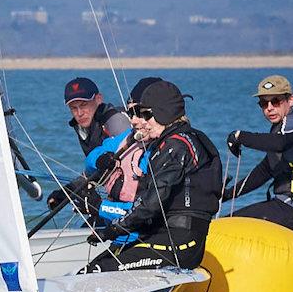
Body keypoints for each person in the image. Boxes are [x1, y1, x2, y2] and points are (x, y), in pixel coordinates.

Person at [79, 79, 223, 272]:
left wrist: (114, 229)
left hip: (181, 244)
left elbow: (152, 201)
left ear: (165, 113)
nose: (137, 121)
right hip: (160, 236)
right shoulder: (167, 144)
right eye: (135, 114)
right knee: (89, 270)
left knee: (98, 271)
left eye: (144, 115)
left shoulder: (177, 146)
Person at [225, 75, 293, 234]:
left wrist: (240, 136)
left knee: (229, 227)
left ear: (290, 100)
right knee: (228, 221)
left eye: (275, 101)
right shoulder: (281, 129)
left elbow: (280, 143)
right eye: (263, 103)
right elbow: (265, 171)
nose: (269, 108)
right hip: (287, 206)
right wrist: (227, 195)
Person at [46, 77, 130, 209]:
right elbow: (94, 170)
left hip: (135, 198)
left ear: (98, 99)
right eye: (73, 108)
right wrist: (67, 192)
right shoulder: (84, 128)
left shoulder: (115, 121)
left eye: (84, 105)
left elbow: (132, 162)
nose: (79, 113)